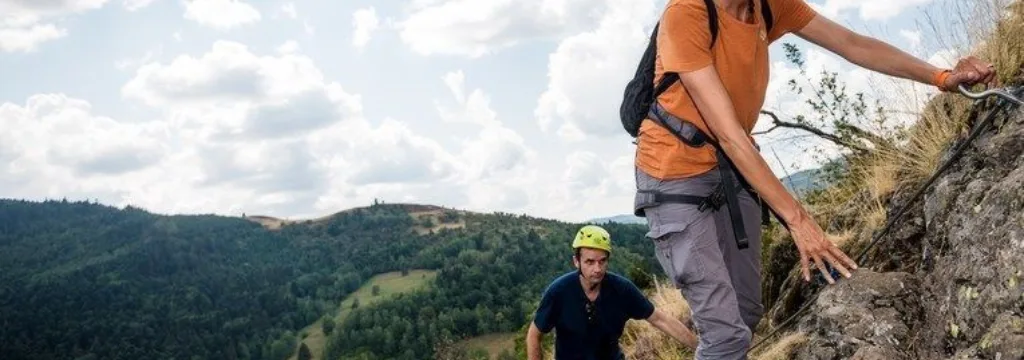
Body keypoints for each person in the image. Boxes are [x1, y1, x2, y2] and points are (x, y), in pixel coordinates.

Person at [631, 0, 997, 359]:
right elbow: (730, 134)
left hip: (731, 170)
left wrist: (942, 77)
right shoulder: (687, 12)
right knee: (725, 336)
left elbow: (854, 45)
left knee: (745, 314)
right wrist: (798, 220)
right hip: (674, 177)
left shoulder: (769, 6)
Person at [526, 225, 698, 360]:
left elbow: (660, 319)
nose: (597, 269)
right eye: (590, 262)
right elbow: (534, 335)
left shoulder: (621, 290)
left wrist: (701, 349)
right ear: (576, 261)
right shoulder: (559, 292)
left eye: (602, 261)